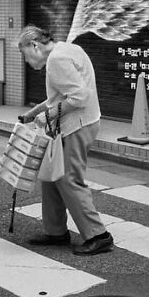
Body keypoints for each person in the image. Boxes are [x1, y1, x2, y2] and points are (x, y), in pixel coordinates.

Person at [17, 25, 114, 256]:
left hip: (78, 125)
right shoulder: (68, 49)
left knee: (69, 179)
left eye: (25, 54)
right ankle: (56, 231)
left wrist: (47, 115)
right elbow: (60, 97)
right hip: (81, 122)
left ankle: (98, 236)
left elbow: (80, 97)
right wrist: (34, 113)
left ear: (35, 45)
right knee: (52, 176)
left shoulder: (57, 60)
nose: (27, 61)